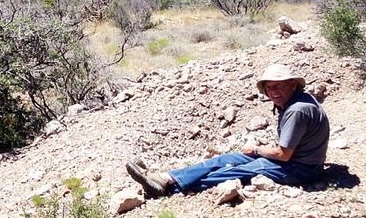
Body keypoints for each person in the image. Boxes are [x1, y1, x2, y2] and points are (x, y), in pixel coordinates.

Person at [126, 64, 330, 197]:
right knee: (224, 159)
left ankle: (171, 189)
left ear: (292, 84)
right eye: (269, 88)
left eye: (278, 86)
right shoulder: (300, 100)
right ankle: (166, 177)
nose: (273, 92)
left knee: (233, 171)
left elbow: (284, 155)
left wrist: (257, 149)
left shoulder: (297, 110)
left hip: (301, 169)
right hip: (297, 161)